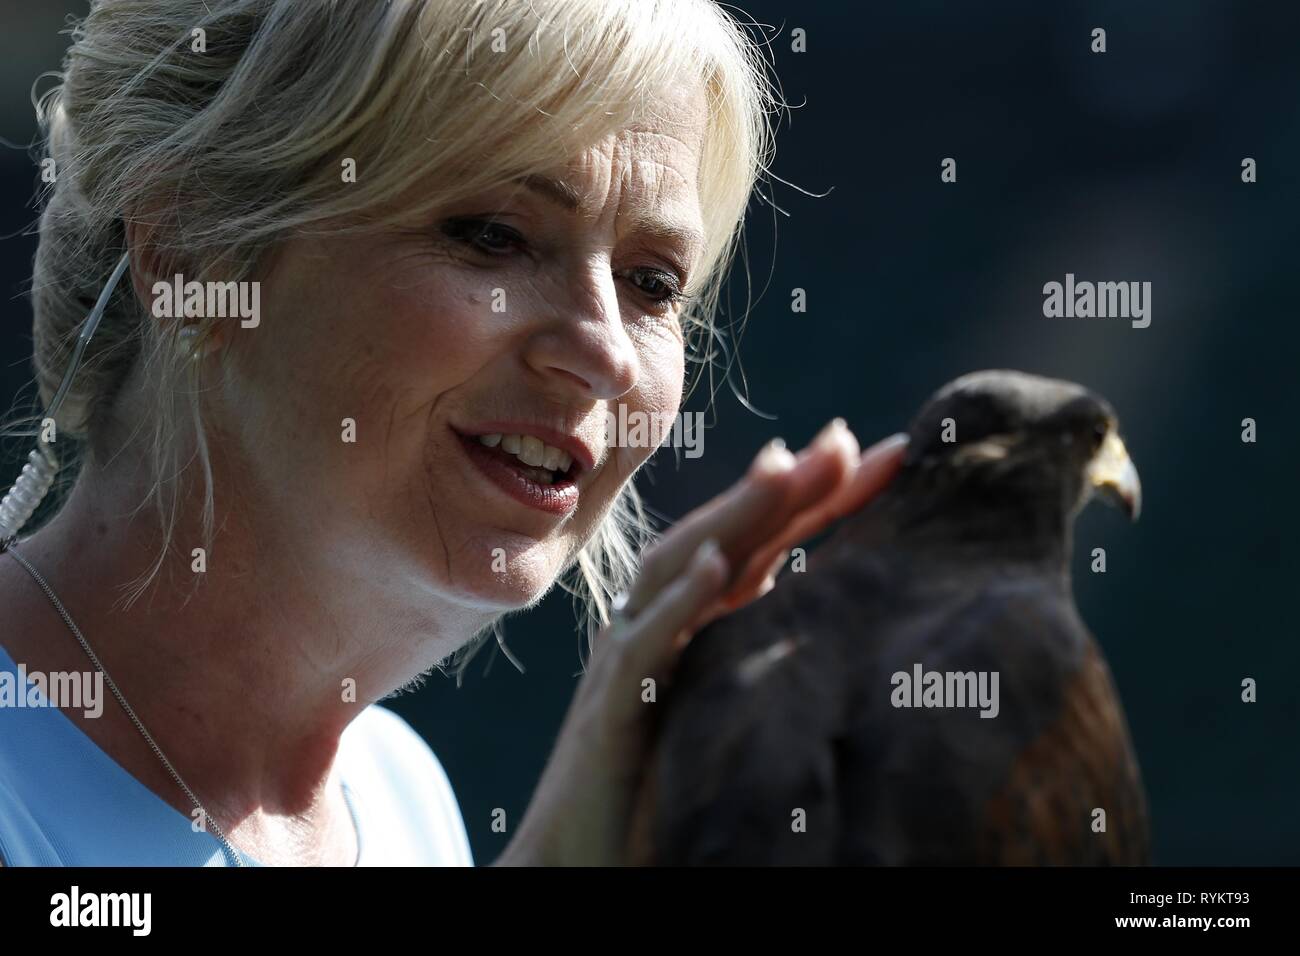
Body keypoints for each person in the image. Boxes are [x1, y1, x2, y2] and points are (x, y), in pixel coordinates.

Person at [0, 0, 905, 866]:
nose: (606, 355)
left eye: (653, 284)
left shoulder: (399, 792)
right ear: (190, 250)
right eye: (493, 235)